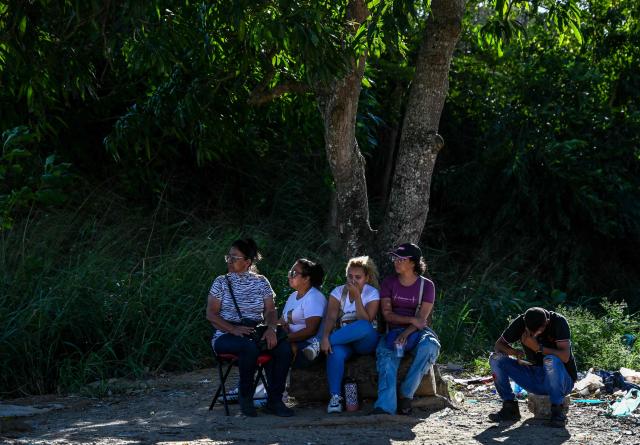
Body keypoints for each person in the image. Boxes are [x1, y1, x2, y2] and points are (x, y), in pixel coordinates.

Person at [206, 238, 293, 417]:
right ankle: (245, 397)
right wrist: (233, 329)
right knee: (248, 348)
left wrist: (271, 329)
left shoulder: (261, 282)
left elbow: (270, 310)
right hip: (225, 335)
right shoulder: (221, 282)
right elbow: (211, 314)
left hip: (254, 331)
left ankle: (275, 400)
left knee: (283, 348)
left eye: (234, 258)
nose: (229, 261)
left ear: (248, 262)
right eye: (228, 257)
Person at [371, 243, 440, 415]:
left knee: (430, 346)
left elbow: (422, 320)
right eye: (395, 258)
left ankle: (406, 394)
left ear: (413, 263)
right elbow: (387, 314)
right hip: (392, 331)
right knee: (386, 357)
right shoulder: (389, 283)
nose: (396, 261)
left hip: (416, 332)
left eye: (401, 259)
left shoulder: (427, 286)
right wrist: (410, 320)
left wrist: (407, 332)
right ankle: (385, 407)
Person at [489, 306, 577, 427]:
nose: (533, 335)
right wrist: (516, 352)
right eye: (530, 331)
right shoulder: (521, 321)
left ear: (547, 322)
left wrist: (538, 348)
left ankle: (557, 411)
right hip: (534, 377)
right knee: (495, 358)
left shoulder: (558, 322)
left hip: (562, 381)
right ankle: (510, 407)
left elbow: (565, 356)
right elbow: (499, 345)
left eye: (538, 331)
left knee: (550, 360)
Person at [319, 256, 381, 413]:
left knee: (364, 325)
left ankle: (316, 345)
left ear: (366, 278)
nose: (353, 281)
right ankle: (335, 398)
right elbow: (331, 317)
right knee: (335, 352)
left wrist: (357, 296)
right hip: (344, 341)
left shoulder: (372, 293)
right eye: (350, 277)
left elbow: (366, 320)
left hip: (365, 341)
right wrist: (325, 336)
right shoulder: (337, 292)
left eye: (358, 277)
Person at [279, 258, 327, 368]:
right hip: (291, 341)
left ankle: (276, 385)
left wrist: (286, 338)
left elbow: (310, 331)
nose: (290, 275)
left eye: (294, 273)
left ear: (306, 278)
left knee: (277, 350)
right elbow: (281, 321)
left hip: (309, 346)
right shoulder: (292, 296)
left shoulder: (314, 297)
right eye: (290, 272)